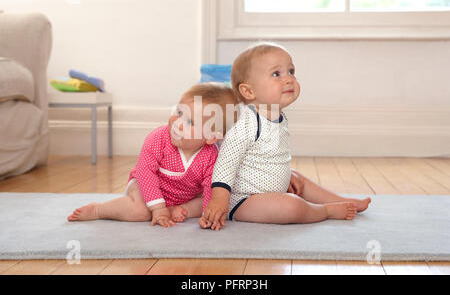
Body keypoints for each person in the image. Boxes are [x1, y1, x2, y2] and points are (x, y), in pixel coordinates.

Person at [199, 42, 371, 231]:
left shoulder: (277, 116)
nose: (288, 79)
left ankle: (343, 201)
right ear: (248, 91)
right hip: (244, 200)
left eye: (291, 71)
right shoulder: (246, 122)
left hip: (270, 190)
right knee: (291, 206)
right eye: (276, 74)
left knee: (297, 178)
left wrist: (283, 176)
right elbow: (226, 164)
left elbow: (269, 157)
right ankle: (325, 211)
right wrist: (218, 201)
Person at [67, 82, 238, 227]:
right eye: (179, 113)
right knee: (141, 211)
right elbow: (145, 172)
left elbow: (210, 186)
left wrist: (209, 214)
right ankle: (99, 210)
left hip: (184, 197)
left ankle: (174, 210)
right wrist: (157, 207)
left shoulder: (211, 156)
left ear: (211, 137)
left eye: (190, 122)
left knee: (207, 201)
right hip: (145, 186)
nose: (178, 124)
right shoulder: (158, 139)